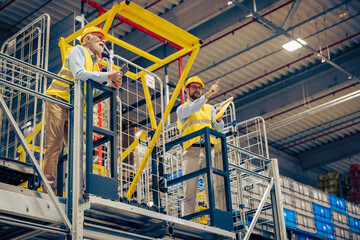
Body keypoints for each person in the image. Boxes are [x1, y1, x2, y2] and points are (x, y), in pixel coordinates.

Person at [43, 26, 123, 192]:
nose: (103, 41)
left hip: (74, 108)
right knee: (54, 146)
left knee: (81, 150)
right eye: (98, 37)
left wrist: (112, 86)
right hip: (57, 100)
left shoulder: (95, 66)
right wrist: (109, 75)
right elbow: (79, 73)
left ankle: (82, 189)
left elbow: (92, 92)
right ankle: (47, 188)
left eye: (103, 39)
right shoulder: (77, 51)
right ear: (87, 38)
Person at [176, 76, 225, 218]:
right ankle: (188, 222)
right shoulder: (182, 109)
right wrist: (208, 94)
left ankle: (215, 221)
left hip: (209, 151)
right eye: (194, 87)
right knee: (189, 191)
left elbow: (218, 129)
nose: (197, 90)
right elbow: (193, 108)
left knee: (213, 189)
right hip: (191, 151)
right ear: (187, 90)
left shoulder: (209, 108)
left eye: (199, 88)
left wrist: (219, 120)